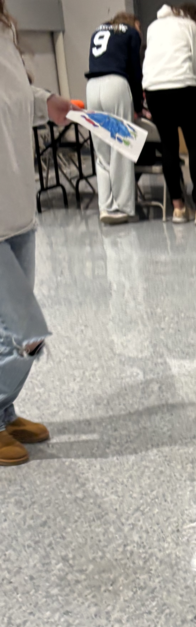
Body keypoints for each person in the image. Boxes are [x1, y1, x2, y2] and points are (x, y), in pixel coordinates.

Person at [0, 3, 72, 466]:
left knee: (9, 329)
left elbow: (13, 98)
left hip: (18, 205)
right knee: (26, 328)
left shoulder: (4, 31)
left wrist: (45, 101)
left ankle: (5, 411)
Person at [142, 4, 196, 225]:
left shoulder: (153, 26)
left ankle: (178, 208)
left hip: (154, 89)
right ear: (194, 18)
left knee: (169, 146)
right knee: (195, 145)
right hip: (182, 86)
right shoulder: (191, 27)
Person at [85, 12, 143, 225]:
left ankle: (105, 207)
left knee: (102, 152)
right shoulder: (129, 33)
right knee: (122, 147)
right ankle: (123, 207)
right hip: (115, 84)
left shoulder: (97, 31)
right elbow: (135, 73)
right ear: (131, 23)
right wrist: (138, 105)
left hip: (92, 87)